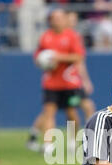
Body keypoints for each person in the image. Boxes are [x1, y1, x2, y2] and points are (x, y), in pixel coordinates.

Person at [27, 8, 86, 155]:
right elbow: (37, 56)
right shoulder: (45, 37)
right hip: (51, 82)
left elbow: (78, 57)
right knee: (49, 112)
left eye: (60, 18)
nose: (57, 21)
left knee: (71, 112)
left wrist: (58, 57)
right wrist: (42, 61)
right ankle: (48, 145)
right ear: (50, 21)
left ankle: (72, 141)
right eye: (54, 18)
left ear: (65, 19)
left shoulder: (72, 36)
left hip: (69, 82)